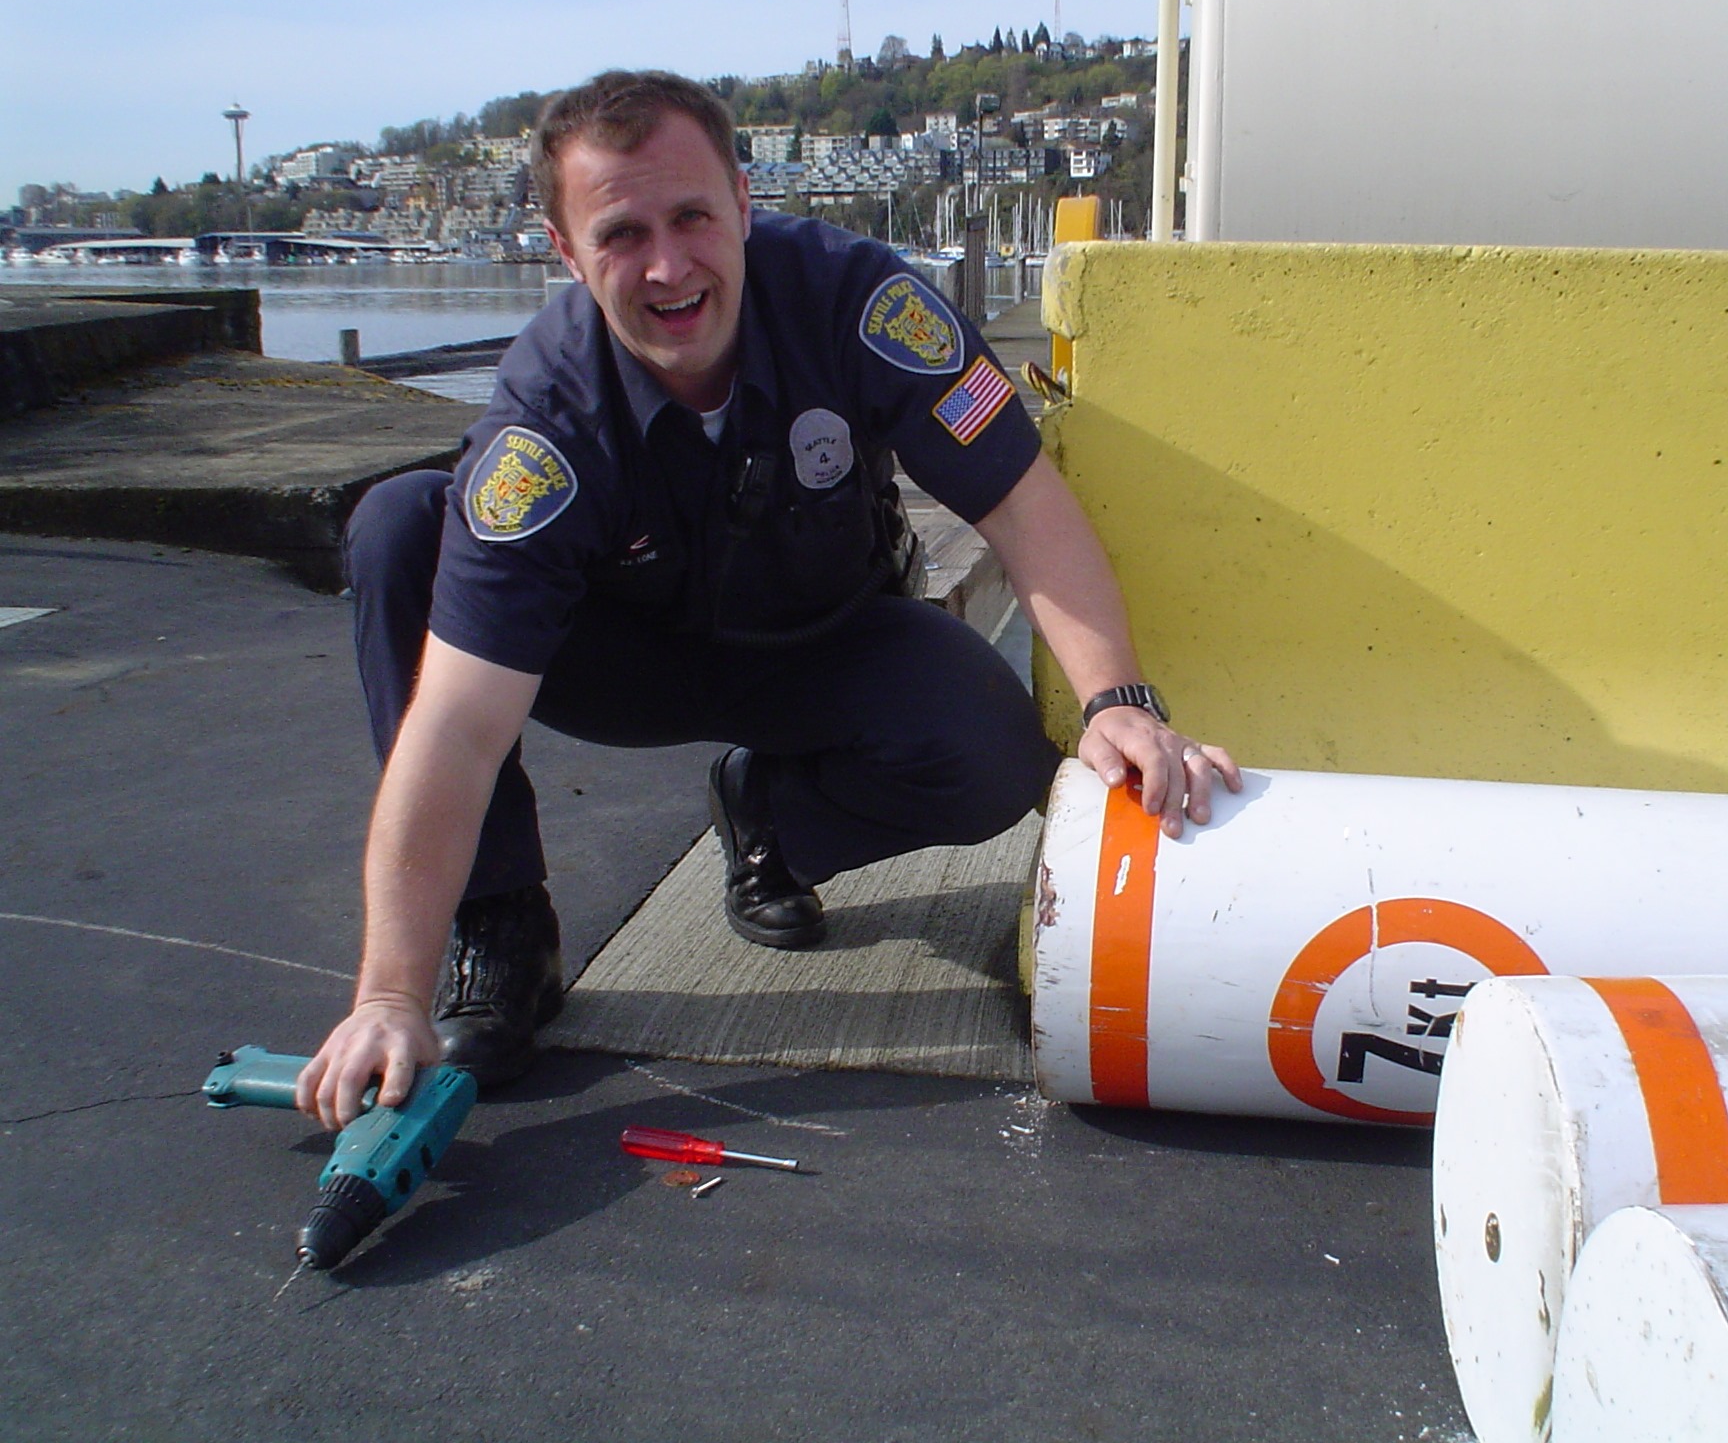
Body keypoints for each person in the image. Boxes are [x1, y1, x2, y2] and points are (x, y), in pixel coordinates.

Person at [298, 70, 1239, 1131]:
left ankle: (772, 824)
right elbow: (460, 728)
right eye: (619, 233)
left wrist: (1119, 698)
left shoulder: (858, 301)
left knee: (996, 756)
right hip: (622, 659)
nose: (667, 266)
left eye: (693, 215)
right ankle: (500, 920)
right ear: (564, 253)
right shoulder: (545, 417)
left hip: (820, 640)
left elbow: (1020, 504)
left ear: (744, 204)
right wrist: (389, 994)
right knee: (401, 525)